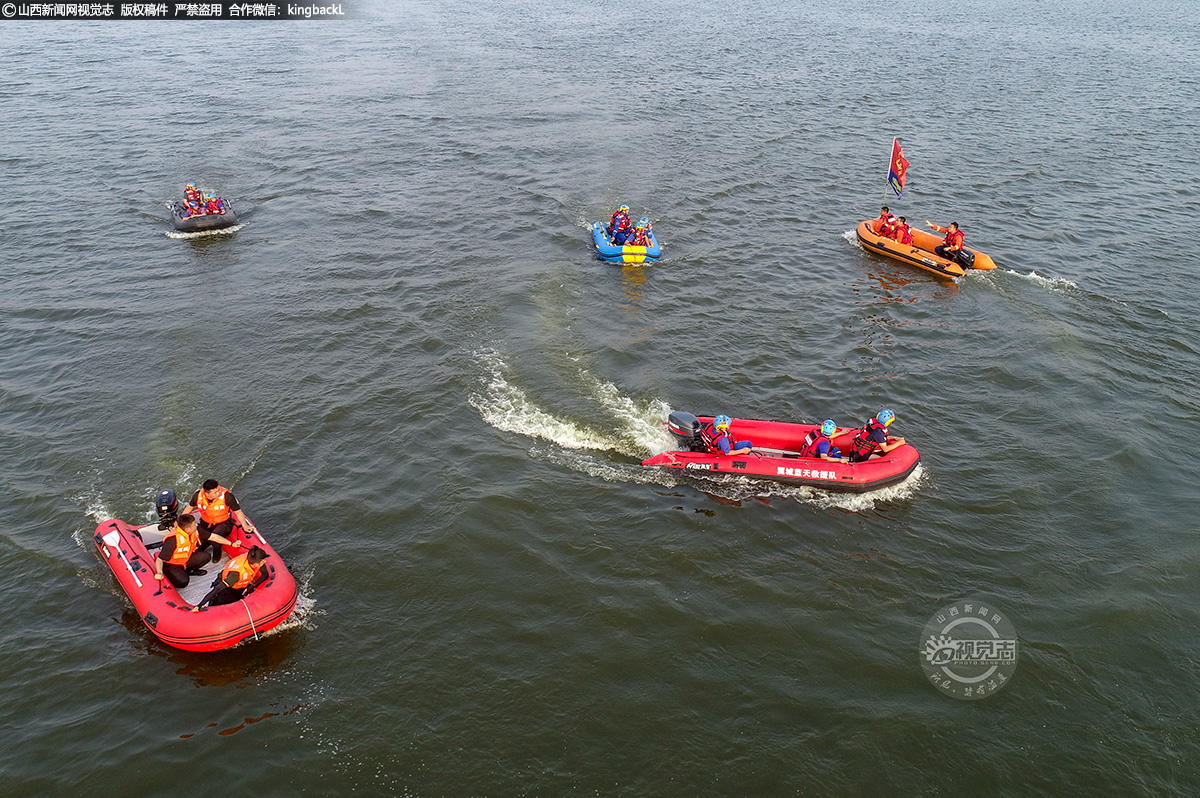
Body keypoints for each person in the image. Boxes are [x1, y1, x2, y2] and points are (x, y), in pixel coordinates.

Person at [154, 514, 240, 589]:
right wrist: (159, 573)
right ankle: (180, 573)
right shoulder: (173, 540)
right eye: (194, 524)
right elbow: (160, 559)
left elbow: (213, 537)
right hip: (172, 564)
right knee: (183, 582)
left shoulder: (196, 530)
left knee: (206, 556)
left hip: (186, 559)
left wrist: (231, 544)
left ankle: (189, 570)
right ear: (187, 529)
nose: (196, 525)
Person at [181, 479, 257, 563]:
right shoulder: (198, 496)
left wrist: (244, 525)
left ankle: (217, 551)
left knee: (214, 538)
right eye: (215, 492)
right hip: (206, 522)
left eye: (218, 490)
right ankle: (204, 544)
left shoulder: (227, 496)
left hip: (224, 523)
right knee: (198, 542)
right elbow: (190, 507)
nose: (218, 493)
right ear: (207, 493)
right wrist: (180, 520)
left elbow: (238, 511)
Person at [192, 545, 270, 611]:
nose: (265, 562)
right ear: (256, 564)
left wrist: (252, 586)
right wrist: (200, 605)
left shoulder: (254, 560)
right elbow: (217, 589)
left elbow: (265, 574)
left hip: (240, 585)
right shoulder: (236, 574)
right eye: (263, 561)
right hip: (226, 586)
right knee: (226, 603)